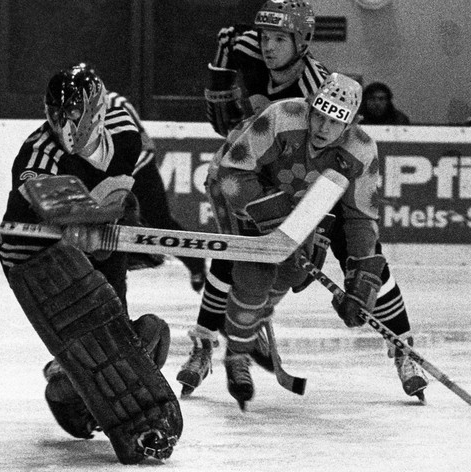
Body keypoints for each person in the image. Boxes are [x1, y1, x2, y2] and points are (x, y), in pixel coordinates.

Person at [178, 0, 428, 403]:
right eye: (264, 36)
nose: (268, 47)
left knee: (368, 262)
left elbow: (353, 203)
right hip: (261, 176)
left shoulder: (319, 89)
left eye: (279, 39)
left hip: (321, 192)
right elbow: (226, 127)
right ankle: (205, 344)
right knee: (232, 254)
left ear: (303, 41)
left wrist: (316, 236)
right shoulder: (245, 49)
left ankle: (403, 349)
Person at [0, 64, 182, 463]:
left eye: (74, 114)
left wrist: (119, 220)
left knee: (121, 339)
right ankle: (68, 381)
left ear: (95, 111)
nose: (64, 125)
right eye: (56, 115)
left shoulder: (126, 134)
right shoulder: (38, 156)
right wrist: (78, 225)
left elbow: (122, 193)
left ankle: (68, 386)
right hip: (34, 254)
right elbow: (54, 208)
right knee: (95, 338)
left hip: (98, 235)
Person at [210, 73, 392, 409]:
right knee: (254, 276)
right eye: (318, 115)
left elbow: (360, 217)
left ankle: (251, 318)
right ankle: (237, 354)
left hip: (301, 209)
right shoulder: (281, 117)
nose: (323, 127)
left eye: (334, 121)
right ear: (309, 108)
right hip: (241, 192)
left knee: (295, 273)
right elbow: (233, 172)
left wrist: (361, 283)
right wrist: (275, 224)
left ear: (350, 124)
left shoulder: (362, 150)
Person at [102, 85, 207, 291]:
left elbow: (144, 145)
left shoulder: (118, 104)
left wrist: (126, 176)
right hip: (114, 174)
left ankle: (195, 262)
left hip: (141, 171)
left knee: (160, 222)